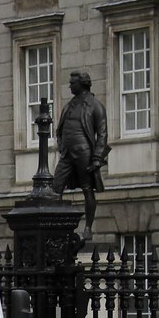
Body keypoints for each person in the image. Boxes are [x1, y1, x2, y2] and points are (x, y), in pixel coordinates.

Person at [53, 71, 110, 241]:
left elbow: (102, 133)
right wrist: (61, 144)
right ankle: (58, 227)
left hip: (84, 151)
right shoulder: (69, 105)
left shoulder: (95, 105)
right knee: (56, 187)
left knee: (87, 189)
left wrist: (97, 157)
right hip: (67, 153)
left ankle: (88, 228)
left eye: (72, 83)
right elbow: (61, 130)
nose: (70, 85)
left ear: (82, 84)